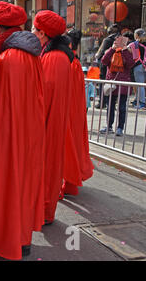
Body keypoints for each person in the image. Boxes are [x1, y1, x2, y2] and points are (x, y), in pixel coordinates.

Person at [0, 2, 45, 260]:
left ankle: (7, 241)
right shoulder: (31, 55)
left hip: (9, 134)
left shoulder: (7, 57)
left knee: (8, 184)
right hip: (30, 132)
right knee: (24, 183)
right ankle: (22, 239)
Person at [32, 10, 74, 225]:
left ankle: (44, 211)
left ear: (42, 34)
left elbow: (43, 95)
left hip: (48, 123)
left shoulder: (52, 58)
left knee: (46, 165)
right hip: (53, 121)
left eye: (34, 29)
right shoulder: (59, 56)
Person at [61, 29, 94, 198]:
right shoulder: (75, 62)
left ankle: (69, 181)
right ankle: (71, 181)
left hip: (68, 109)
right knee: (73, 142)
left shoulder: (68, 62)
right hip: (75, 110)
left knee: (67, 144)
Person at [99, 35, 134, 136]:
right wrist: (111, 49)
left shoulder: (127, 52)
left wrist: (125, 50)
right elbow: (104, 61)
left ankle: (120, 128)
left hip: (123, 84)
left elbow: (130, 64)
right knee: (110, 106)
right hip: (111, 83)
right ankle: (109, 126)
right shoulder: (111, 51)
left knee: (122, 107)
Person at [95, 24, 120, 109]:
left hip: (106, 65)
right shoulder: (121, 40)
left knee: (103, 83)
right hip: (117, 66)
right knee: (113, 85)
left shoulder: (107, 40)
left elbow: (101, 54)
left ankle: (102, 102)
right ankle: (111, 103)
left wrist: (97, 56)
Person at [128, 28, 146, 110]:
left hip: (139, 66)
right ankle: (137, 100)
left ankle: (142, 103)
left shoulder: (134, 44)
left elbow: (127, 50)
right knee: (141, 84)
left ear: (136, 35)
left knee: (140, 85)